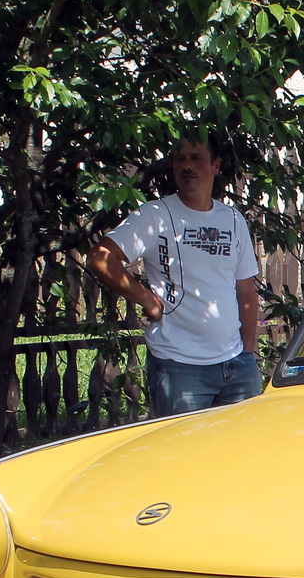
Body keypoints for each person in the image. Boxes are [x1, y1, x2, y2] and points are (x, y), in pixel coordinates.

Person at [87, 134, 262, 415]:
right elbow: (101, 258)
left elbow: (246, 291)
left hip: (237, 366)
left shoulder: (232, 219)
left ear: (216, 165)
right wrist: (146, 299)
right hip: (179, 366)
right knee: (183, 444)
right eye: (180, 159)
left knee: (242, 443)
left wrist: (248, 352)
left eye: (196, 158)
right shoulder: (154, 215)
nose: (186, 165)